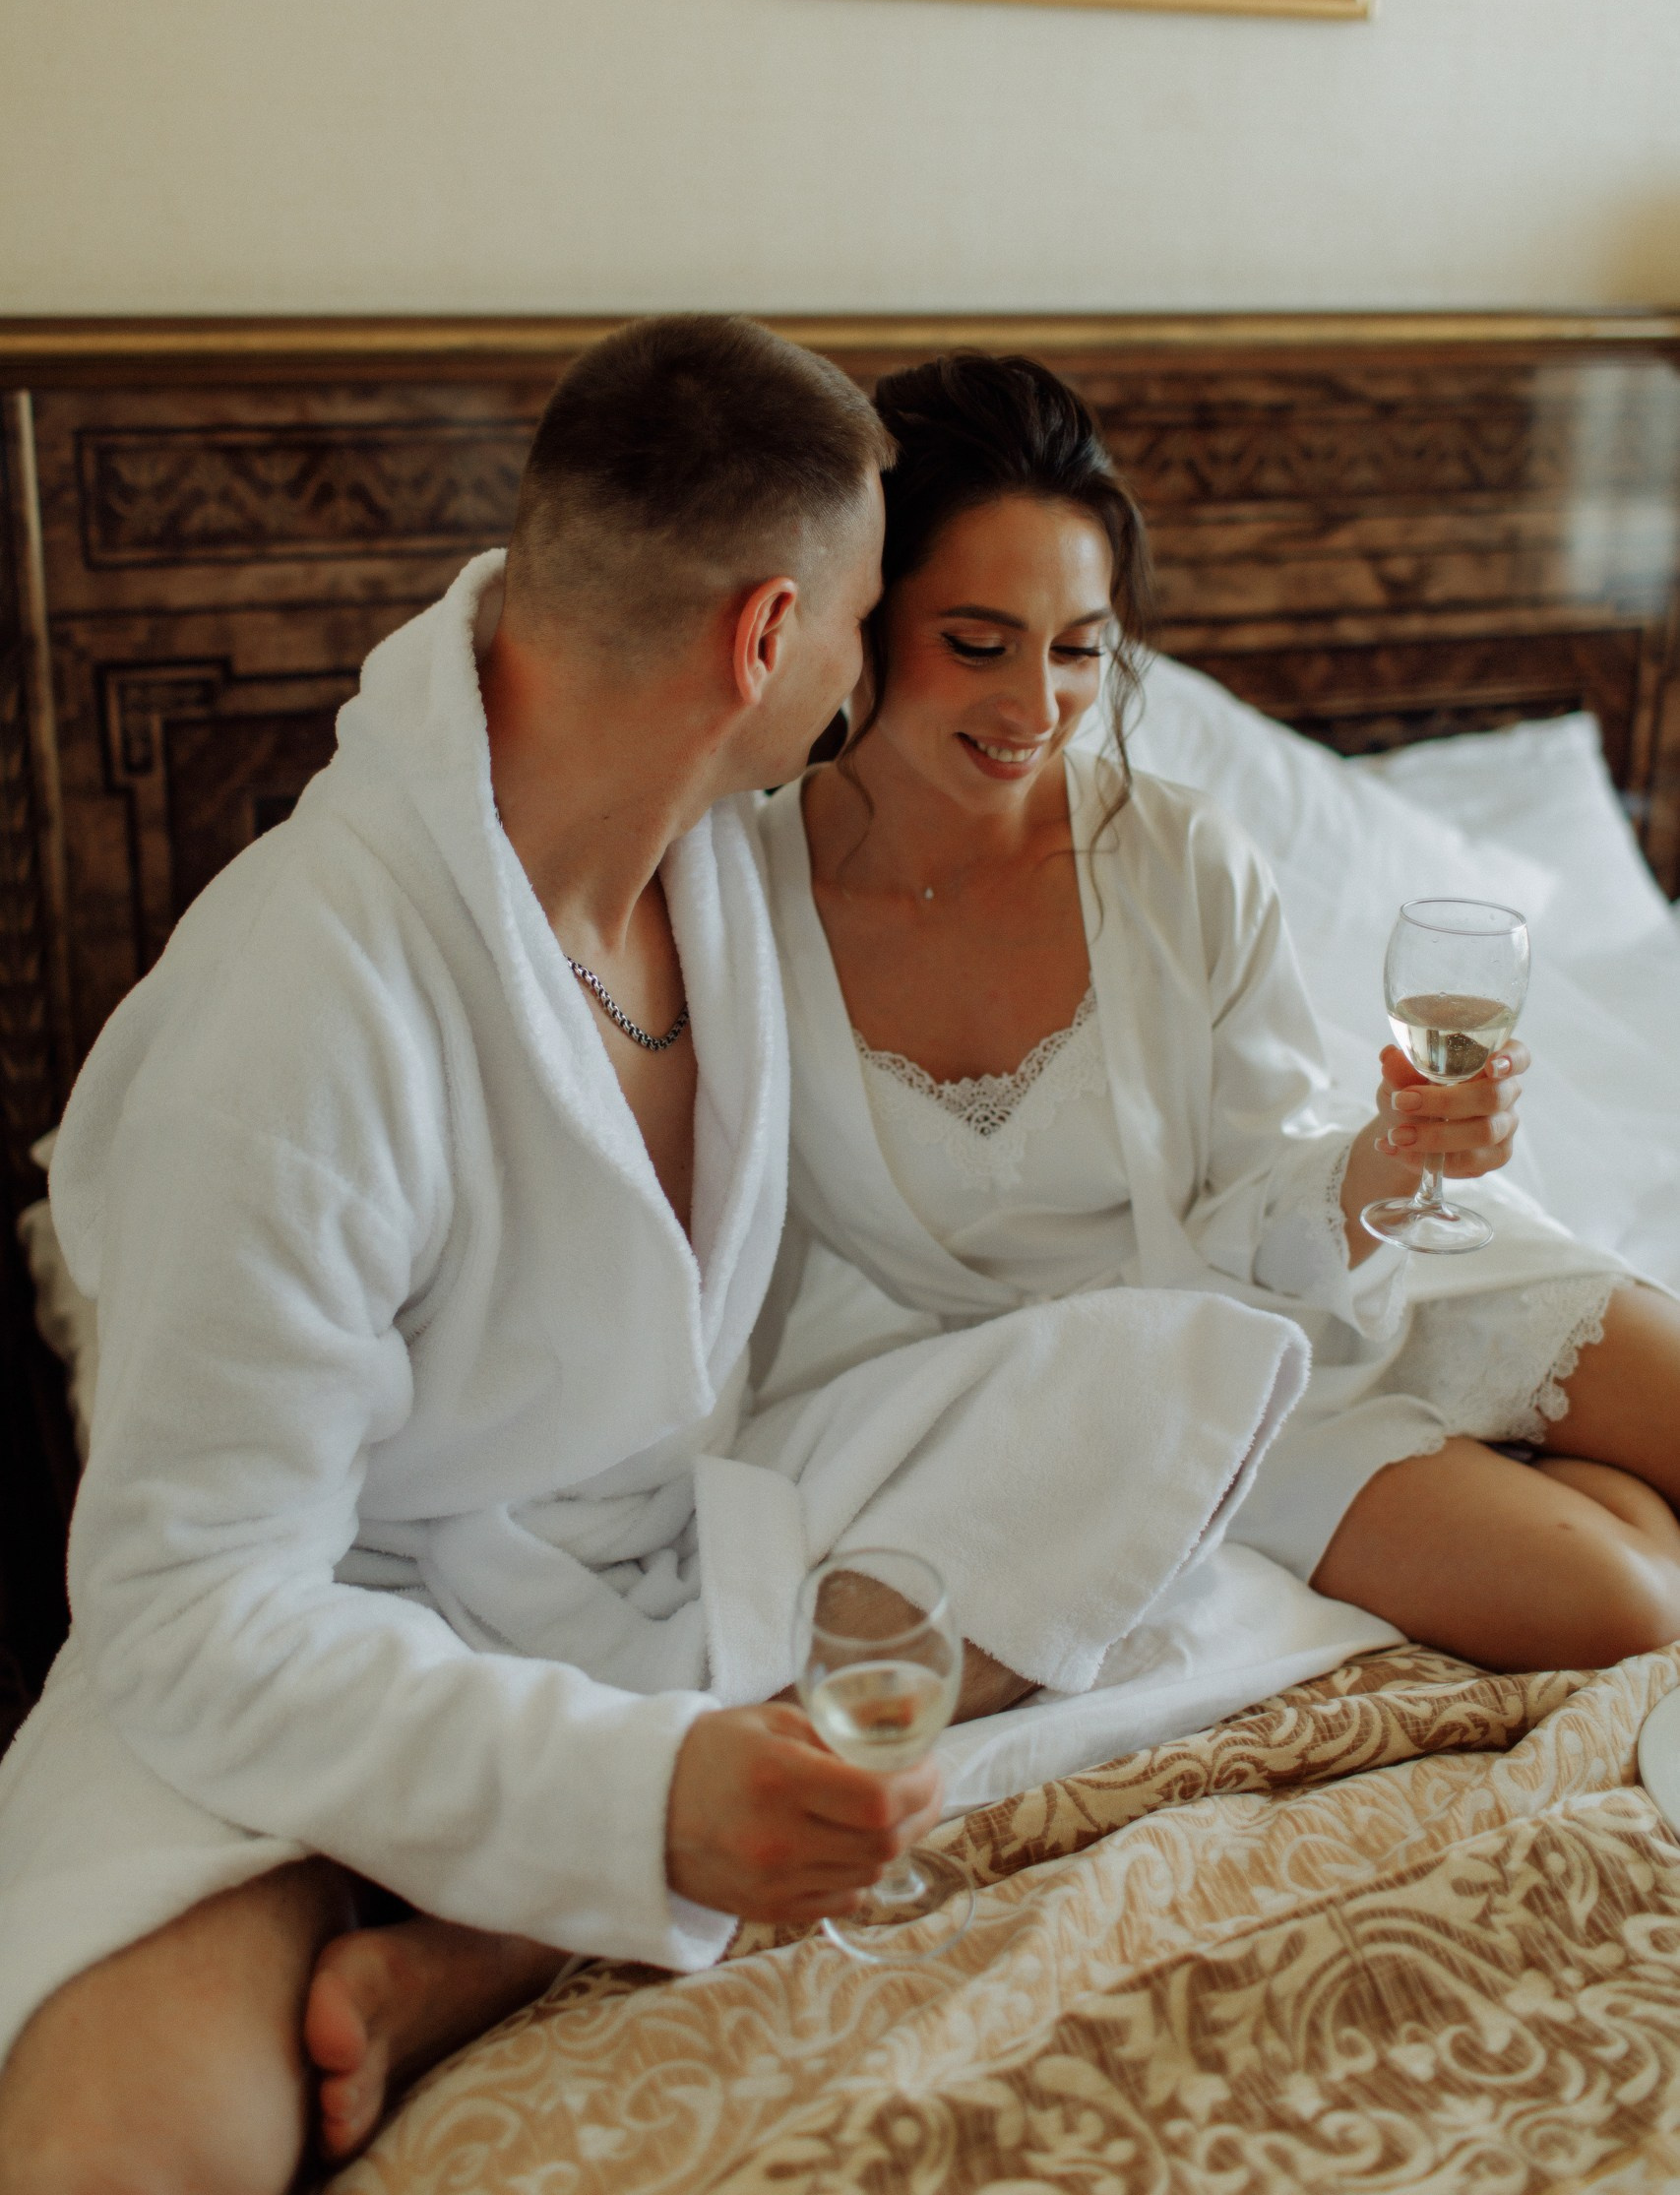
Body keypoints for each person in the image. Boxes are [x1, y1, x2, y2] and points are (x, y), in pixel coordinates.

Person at [0, 317, 1311, 2193]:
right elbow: (187, 1605)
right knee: (129, 2135)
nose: (871, 673)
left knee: (1147, 1376)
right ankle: (525, 1870)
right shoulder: (300, 1005)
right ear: (768, 639)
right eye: (871, 621)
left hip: (658, 1560)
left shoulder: (708, 864)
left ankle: (505, 1930)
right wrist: (635, 1794)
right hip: (340, 1635)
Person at [759, 348, 1680, 1683]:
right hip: (1169, 1382)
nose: (1035, 708)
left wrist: (1398, 1154)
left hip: (1351, 1254)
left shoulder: (1179, 859)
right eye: (978, 644)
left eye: (1080, 650)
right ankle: (1556, 1479)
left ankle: (1535, 1444)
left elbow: (1268, 1170)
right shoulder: (744, 906)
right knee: (1628, 1605)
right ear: (863, 615)